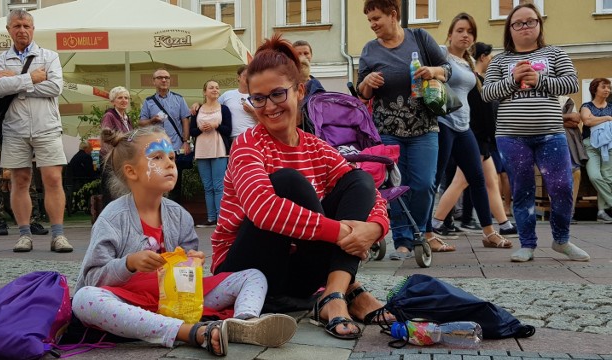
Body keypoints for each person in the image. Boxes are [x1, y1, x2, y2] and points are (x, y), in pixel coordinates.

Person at [211, 33, 392, 340]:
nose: (268, 107)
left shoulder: (316, 147)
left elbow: (370, 194)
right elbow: (263, 210)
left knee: (358, 179)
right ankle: (351, 289)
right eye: (258, 98)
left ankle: (335, 293)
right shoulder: (247, 145)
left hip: (295, 275)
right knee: (288, 182)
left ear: (299, 91)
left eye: (278, 94)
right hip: (241, 272)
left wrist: (374, 229)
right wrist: (344, 234)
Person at [73, 126, 297, 357]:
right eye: (157, 157)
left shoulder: (179, 216)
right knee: (84, 300)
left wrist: (193, 263)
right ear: (131, 172)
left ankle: (244, 323)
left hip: (177, 299)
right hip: (129, 301)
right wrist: (129, 263)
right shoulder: (113, 216)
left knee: (253, 275)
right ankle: (188, 332)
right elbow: (93, 278)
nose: (170, 163)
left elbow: (190, 277)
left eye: (171, 157)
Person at [482, 3, 589, 262]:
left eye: (530, 21)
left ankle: (561, 240)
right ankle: (528, 244)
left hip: (551, 133)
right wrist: (512, 79)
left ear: (539, 25)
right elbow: (487, 93)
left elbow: (572, 83)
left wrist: (538, 80)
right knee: (521, 189)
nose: (524, 27)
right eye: (517, 23)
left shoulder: (555, 54)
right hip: (511, 136)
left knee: (562, 185)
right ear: (510, 29)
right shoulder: (500, 60)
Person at [357, 0, 450, 259]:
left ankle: (420, 232)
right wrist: (367, 82)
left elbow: (448, 70)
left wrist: (432, 70)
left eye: (376, 18)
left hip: (424, 127)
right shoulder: (369, 50)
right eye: (370, 20)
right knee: (395, 186)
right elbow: (361, 94)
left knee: (424, 184)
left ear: (393, 14)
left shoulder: (419, 38)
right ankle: (402, 240)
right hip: (387, 129)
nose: (373, 24)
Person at [0, 9, 72, 253]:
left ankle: (58, 235)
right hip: (14, 128)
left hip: (47, 126)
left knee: (53, 179)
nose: (22, 30)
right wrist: (31, 78)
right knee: (20, 181)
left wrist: (16, 80)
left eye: (26, 25)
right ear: (9, 30)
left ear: (33, 29)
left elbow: (55, 87)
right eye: (16, 26)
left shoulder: (49, 56)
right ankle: (24, 235)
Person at [431, 39, 518, 242]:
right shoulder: (464, 73)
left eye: (469, 31)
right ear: (482, 57)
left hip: (473, 134)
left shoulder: (474, 77)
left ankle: (497, 227)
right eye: (489, 56)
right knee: (453, 181)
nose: (491, 60)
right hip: (466, 133)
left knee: (486, 181)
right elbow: (482, 114)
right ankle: (434, 224)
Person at [139, 69, 191, 204]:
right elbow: (141, 123)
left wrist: (186, 141)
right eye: (160, 77)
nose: (164, 80)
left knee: (174, 181)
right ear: (154, 81)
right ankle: (158, 208)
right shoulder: (148, 101)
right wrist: (152, 120)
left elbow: (185, 120)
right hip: (156, 148)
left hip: (175, 147)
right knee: (157, 179)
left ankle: (174, 209)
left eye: (167, 78)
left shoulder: (179, 99)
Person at [190, 80, 232, 228]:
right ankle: (210, 218)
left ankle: (221, 218)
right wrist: (201, 128)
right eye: (211, 87)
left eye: (217, 88)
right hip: (202, 151)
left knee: (219, 185)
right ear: (204, 92)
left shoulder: (224, 109)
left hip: (219, 149)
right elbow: (191, 131)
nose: (214, 90)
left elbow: (228, 130)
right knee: (207, 186)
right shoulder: (198, 109)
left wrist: (216, 125)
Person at [580, 78, 612, 223]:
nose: (607, 90)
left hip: (609, 145)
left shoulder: (611, 106)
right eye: (604, 87)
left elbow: (591, 120)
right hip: (590, 145)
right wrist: (606, 118)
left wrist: (595, 119)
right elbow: (586, 121)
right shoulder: (586, 106)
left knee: (608, 177)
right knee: (594, 176)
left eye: (609, 87)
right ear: (594, 89)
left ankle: (601, 211)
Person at [100, 86, 133, 206]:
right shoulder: (110, 116)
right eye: (120, 98)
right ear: (113, 101)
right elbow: (106, 137)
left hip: (122, 159)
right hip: (111, 160)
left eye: (126, 98)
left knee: (121, 191)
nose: (124, 100)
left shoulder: (126, 118)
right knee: (111, 192)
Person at [560, 95, 589, 224]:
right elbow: (540, 121)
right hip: (548, 141)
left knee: (575, 173)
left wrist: (553, 119)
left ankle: (570, 212)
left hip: (569, 141)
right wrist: (566, 117)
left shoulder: (567, 99)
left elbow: (575, 120)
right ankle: (559, 213)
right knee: (554, 176)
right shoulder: (541, 98)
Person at [217, 65, 257, 144]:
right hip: (232, 138)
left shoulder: (258, 97)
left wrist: (252, 112)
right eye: (245, 75)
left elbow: (265, 121)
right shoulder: (227, 95)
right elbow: (211, 106)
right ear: (238, 77)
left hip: (252, 137)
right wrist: (198, 104)